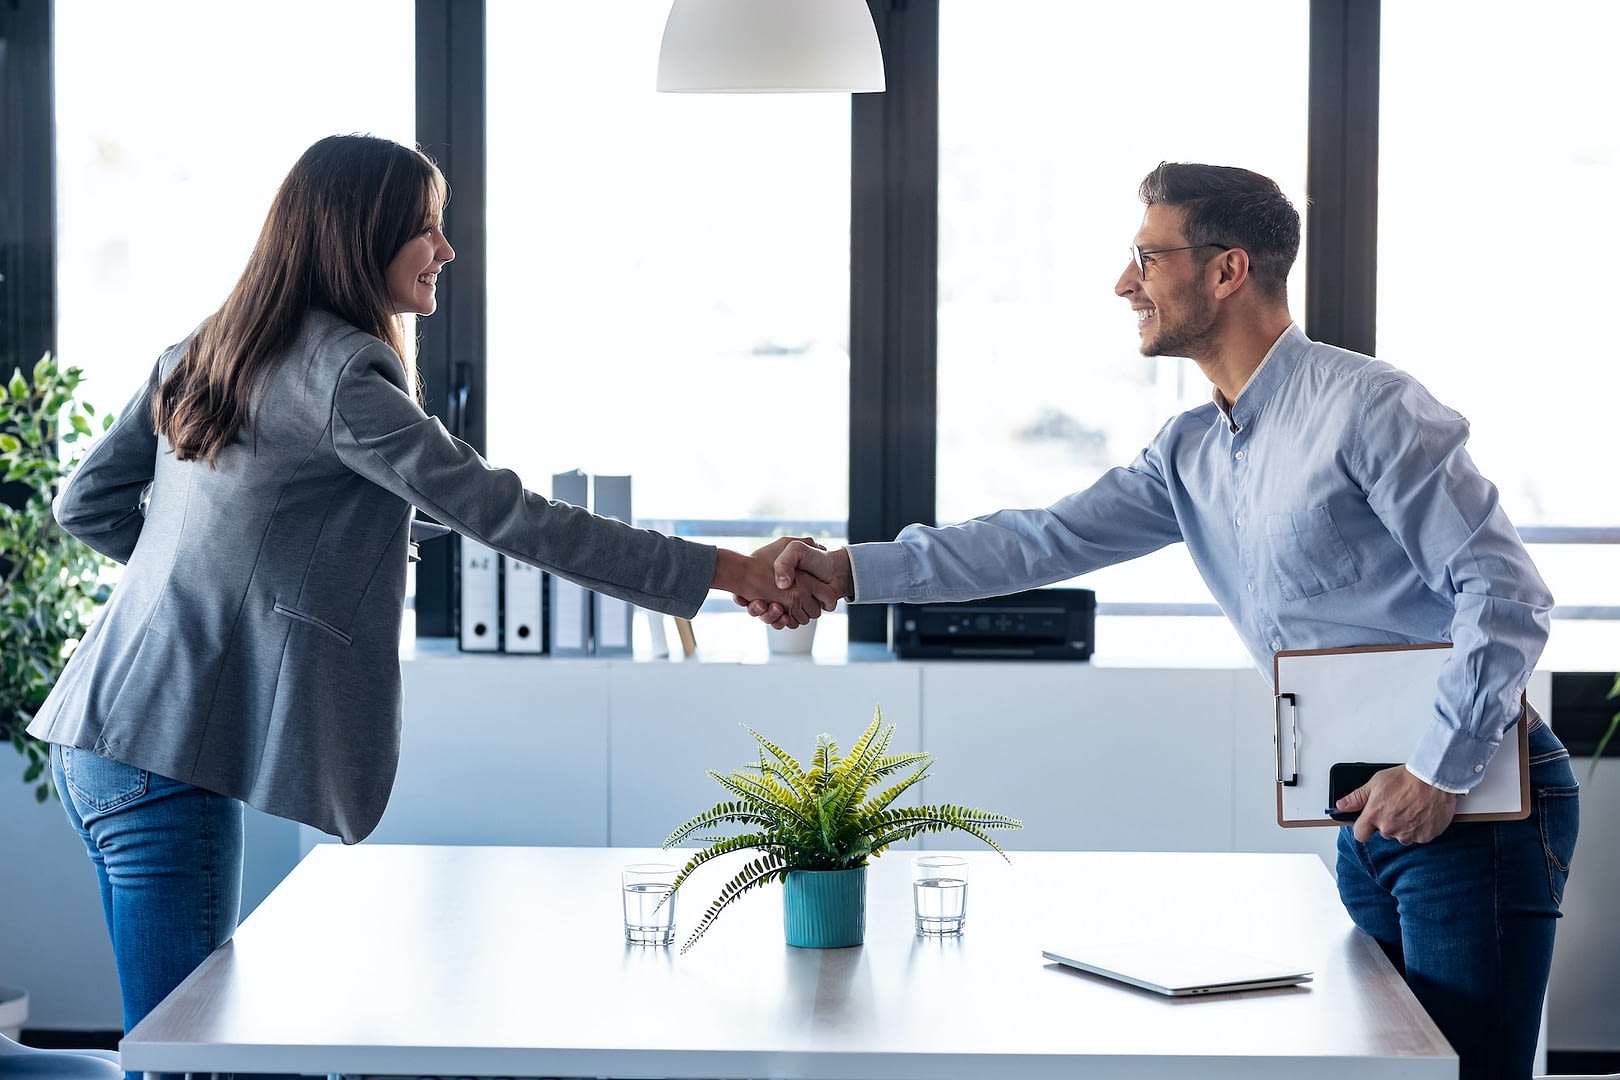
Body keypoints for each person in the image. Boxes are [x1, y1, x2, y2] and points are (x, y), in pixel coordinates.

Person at [757, 162, 1580, 1080]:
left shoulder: (1370, 408)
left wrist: (1434, 770)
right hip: (1364, 813)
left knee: (1470, 1077)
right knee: (1388, 1076)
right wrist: (849, 571)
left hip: (1471, 802)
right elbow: (1037, 542)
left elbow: (1505, 593)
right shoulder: (1190, 451)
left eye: (1147, 257)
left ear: (1228, 271)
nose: (1124, 284)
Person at [26, 133, 837, 1046]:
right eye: (425, 229)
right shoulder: (342, 373)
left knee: (165, 1038)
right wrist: (728, 570)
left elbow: (85, 502)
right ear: (355, 236)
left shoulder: (208, 347)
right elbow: (512, 515)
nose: (445, 250)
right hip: (165, 756)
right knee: (182, 1054)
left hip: (96, 739)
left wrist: (203, 586)